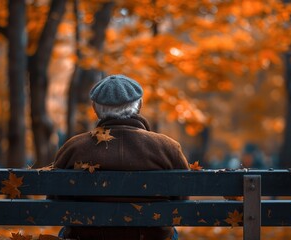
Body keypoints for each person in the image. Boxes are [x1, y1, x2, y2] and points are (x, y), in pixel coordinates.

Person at [53, 74, 190, 240]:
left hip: (86, 236)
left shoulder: (73, 147)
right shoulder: (168, 148)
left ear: (95, 109)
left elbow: (55, 202)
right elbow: (182, 201)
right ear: (139, 105)